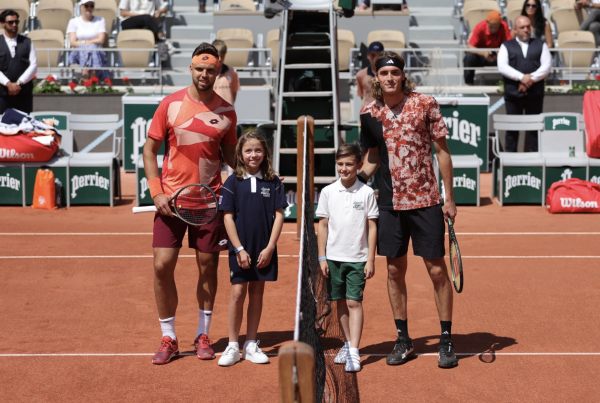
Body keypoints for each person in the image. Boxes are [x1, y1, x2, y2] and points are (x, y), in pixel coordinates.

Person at [358, 50, 459, 369]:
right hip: (389, 204)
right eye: (383, 74)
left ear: (403, 75)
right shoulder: (368, 113)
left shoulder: (425, 103)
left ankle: (445, 339)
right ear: (376, 78)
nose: (389, 78)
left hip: (426, 201)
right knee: (393, 270)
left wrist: (450, 197)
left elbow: (442, 152)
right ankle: (403, 339)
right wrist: (353, 182)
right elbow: (373, 156)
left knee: (436, 271)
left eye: (395, 73)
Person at [143, 42, 238, 365]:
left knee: (207, 268)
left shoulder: (226, 112)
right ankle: (168, 336)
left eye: (211, 69)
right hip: (169, 202)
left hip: (208, 202)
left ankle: (203, 334)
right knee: (161, 267)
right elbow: (149, 151)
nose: (204, 74)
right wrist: (156, 191)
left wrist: (258, 178)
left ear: (218, 70)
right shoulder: (169, 105)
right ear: (191, 69)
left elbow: (231, 159)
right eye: (200, 68)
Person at [218, 131, 287, 366]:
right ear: (240, 153)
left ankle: (250, 344)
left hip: (263, 249)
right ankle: (232, 345)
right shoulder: (232, 182)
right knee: (238, 294)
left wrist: (269, 248)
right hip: (241, 249)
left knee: (257, 294)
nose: (253, 154)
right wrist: (238, 249)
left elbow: (279, 216)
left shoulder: (273, 181)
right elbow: (228, 217)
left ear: (265, 152)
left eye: (258, 150)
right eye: (248, 150)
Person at [316, 143, 378, 373]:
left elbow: (372, 227)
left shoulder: (367, 192)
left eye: (349, 164)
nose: (344, 168)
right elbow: (322, 226)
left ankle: (354, 351)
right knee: (339, 302)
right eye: (340, 164)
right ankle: (347, 343)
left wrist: (371, 259)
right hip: (333, 258)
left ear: (359, 165)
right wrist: (322, 257)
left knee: (354, 302)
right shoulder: (328, 192)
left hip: (358, 258)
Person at [498, 15, 551, 152]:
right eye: (522, 27)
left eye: (528, 27)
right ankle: (510, 160)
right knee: (512, 129)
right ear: (515, 29)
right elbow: (502, 67)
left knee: (535, 129)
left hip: (535, 94)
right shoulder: (506, 46)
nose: (526, 30)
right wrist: (522, 77)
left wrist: (530, 79)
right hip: (513, 95)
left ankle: (536, 161)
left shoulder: (541, 44)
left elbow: (546, 66)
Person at [0, 10, 37, 114]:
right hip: (2, 95)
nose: (14, 25)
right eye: (11, 22)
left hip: (23, 94)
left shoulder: (27, 42)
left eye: (16, 22)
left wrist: (18, 83)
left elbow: (33, 65)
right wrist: (8, 84)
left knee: (25, 126)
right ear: (3, 23)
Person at [463, 10, 512, 85]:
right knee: (469, 57)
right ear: (487, 23)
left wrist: (501, 53)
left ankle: (510, 84)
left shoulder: (504, 26)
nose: (493, 29)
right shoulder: (480, 26)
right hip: (481, 57)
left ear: (500, 24)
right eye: (491, 27)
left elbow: (510, 46)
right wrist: (483, 53)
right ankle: (468, 84)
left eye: (496, 27)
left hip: (499, 57)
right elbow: (469, 47)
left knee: (512, 57)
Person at [67, 0, 110, 81]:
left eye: (91, 6)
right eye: (86, 5)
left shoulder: (100, 20)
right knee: (87, 48)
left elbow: (101, 40)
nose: (89, 8)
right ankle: (93, 77)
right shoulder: (73, 21)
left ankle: (86, 74)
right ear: (81, 7)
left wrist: (86, 43)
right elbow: (72, 42)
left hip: (96, 52)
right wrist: (86, 44)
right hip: (78, 53)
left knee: (92, 48)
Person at [212, 40, 240, 105]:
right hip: (212, 111)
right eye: (218, 56)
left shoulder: (233, 72)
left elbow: (233, 94)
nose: (220, 59)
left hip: (228, 111)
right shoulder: (207, 72)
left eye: (222, 56)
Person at [356, 41, 383, 109]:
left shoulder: (389, 74)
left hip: (384, 113)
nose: (375, 58)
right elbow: (362, 95)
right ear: (368, 55)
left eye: (378, 55)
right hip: (367, 112)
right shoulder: (360, 75)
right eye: (373, 55)